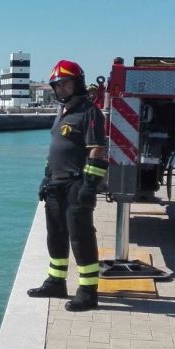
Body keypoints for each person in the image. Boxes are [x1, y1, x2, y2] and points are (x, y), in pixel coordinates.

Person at [26, 59, 108, 312]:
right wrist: (46, 177)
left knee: (81, 238)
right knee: (56, 235)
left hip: (76, 184)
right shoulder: (62, 113)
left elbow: (97, 150)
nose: (61, 89)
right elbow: (54, 152)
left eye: (65, 83)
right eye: (57, 85)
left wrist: (90, 186)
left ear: (78, 83)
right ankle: (56, 282)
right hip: (55, 184)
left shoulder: (89, 112)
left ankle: (88, 291)